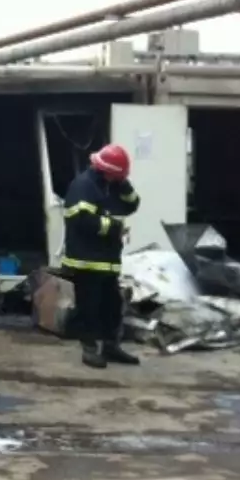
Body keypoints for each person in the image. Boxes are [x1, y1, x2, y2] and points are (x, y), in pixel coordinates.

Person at [62, 144, 141, 369]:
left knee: (112, 306)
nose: (119, 179)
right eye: (117, 175)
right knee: (89, 307)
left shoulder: (110, 184)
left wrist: (124, 183)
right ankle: (89, 349)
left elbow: (132, 204)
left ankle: (110, 346)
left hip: (107, 260)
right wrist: (115, 228)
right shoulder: (83, 185)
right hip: (86, 260)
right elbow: (81, 220)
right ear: (105, 169)